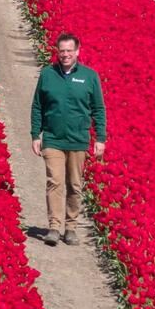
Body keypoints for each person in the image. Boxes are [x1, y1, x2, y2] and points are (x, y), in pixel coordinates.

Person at [30, 32, 106, 246]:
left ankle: (70, 227)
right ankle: (54, 227)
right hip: (53, 139)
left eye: (69, 51)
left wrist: (100, 137)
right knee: (55, 182)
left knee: (74, 184)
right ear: (57, 52)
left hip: (77, 139)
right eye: (62, 51)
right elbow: (37, 106)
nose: (65, 54)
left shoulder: (89, 77)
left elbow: (98, 109)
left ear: (77, 51)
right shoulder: (47, 75)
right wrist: (36, 135)